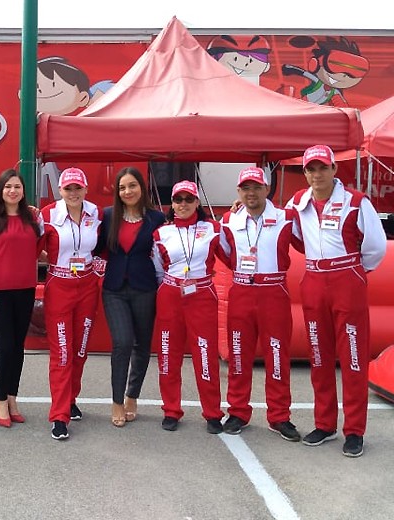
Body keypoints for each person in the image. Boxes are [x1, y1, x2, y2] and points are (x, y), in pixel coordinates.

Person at [286, 145, 387, 457]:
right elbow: (289, 234)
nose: (317, 175)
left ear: (333, 169)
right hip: (314, 280)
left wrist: (354, 271)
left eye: (322, 168)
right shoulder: (298, 201)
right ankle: (325, 424)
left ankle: (354, 430)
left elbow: (376, 246)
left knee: (353, 358)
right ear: (305, 173)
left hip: (347, 279)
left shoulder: (356, 202)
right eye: (310, 169)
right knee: (319, 356)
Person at [219, 167, 299, 441]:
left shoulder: (286, 217)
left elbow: (303, 241)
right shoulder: (229, 220)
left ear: (267, 189)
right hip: (242, 290)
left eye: (256, 187)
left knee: (277, 355)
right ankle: (238, 411)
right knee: (239, 355)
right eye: (245, 188)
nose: (251, 193)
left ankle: (279, 416)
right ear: (239, 192)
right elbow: (226, 253)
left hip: (274, 291)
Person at [94, 167, 165, 428]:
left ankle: (132, 395)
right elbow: (94, 245)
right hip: (114, 289)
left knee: (142, 345)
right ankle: (116, 401)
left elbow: (181, 231)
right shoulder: (108, 216)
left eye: (132, 186)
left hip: (145, 288)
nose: (127, 191)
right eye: (122, 187)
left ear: (141, 188)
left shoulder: (157, 218)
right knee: (122, 342)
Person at [152, 180, 225, 434]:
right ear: (171, 204)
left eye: (188, 199)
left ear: (197, 202)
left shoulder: (213, 228)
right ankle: (171, 410)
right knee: (168, 355)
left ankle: (213, 413)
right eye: (178, 200)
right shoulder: (161, 232)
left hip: (202, 294)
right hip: (171, 294)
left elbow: (229, 254)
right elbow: (158, 268)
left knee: (205, 354)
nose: (183, 204)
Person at [38, 167, 102, 441]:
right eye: (68, 189)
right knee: (62, 352)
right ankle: (59, 415)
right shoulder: (48, 214)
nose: (73, 193)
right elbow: (32, 246)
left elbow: (102, 247)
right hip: (59, 286)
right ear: (60, 191)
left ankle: (70, 398)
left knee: (80, 349)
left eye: (78, 188)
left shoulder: (96, 212)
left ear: (85, 189)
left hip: (87, 286)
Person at [0, 169, 41, 429]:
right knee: (5, 347)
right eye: (8, 187)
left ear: (23, 190)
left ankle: (13, 398)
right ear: (0, 191)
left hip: (25, 290)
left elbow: (38, 250)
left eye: (17, 187)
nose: (13, 191)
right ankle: (1, 399)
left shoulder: (32, 218)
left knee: (18, 347)